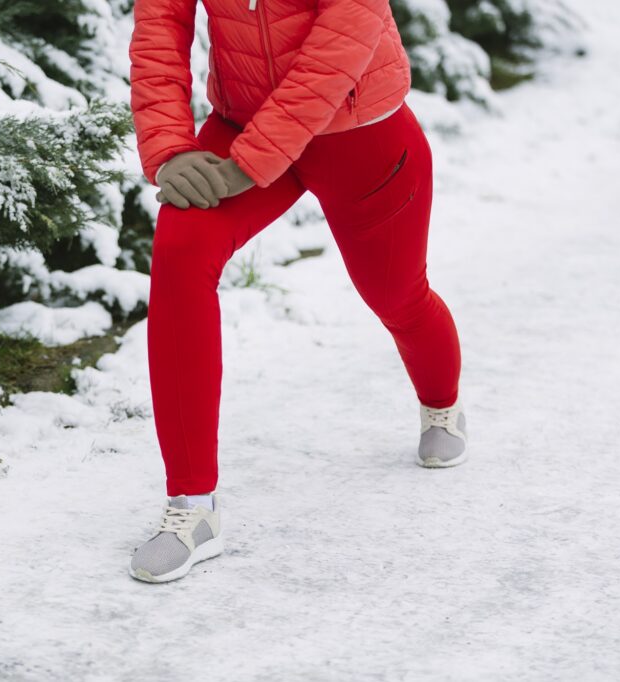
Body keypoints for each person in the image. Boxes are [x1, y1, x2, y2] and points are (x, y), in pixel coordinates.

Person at [126, 0, 467, 584]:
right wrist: (170, 148)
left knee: (396, 296)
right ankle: (192, 506)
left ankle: (443, 404)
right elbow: (160, 25)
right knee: (181, 255)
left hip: (360, 133)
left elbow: (341, 39)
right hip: (240, 124)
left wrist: (251, 162)